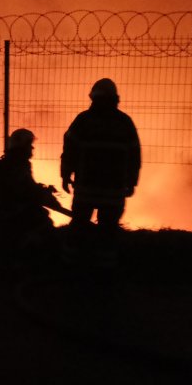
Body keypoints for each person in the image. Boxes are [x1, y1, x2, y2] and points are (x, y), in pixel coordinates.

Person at [60, 78, 141, 265]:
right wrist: (131, 182)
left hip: (86, 188)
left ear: (93, 98)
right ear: (115, 98)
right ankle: (103, 272)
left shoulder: (83, 121)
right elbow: (134, 156)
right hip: (113, 190)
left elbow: (69, 150)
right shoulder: (124, 123)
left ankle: (71, 268)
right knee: (108, 231)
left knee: (79, 228)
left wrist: (65, 175)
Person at [0, 128, 61, 264]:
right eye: (29, 144)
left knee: (41, 217)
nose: (32, 148)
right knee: (44, 223)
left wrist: (42, 191)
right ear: (22, 146)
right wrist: (44, 195)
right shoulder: (16, 164)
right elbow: (24, 190)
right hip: (12, 211)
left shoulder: (13, 162)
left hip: (8, 209)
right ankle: (32, 257)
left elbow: (27, 186)